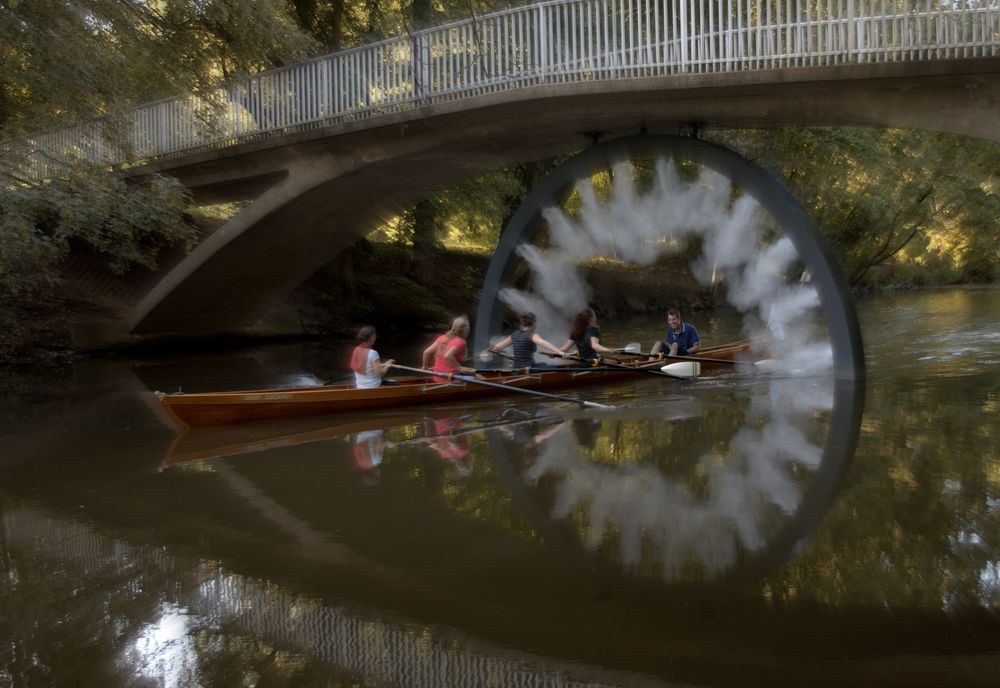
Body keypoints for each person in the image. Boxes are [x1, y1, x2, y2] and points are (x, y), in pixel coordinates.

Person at [487, 311, 568, 369]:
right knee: (553, 368)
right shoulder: (532, 335)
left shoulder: (514, 334)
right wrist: (560, 352)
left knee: (543, 364)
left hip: (516, 368)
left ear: (522, 323)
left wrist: (493, 351)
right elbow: (542, 343)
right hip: (528, 369)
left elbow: (499, 346)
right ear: (533, 323)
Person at [422, 315, 476, 380]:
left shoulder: (442, 337)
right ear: (466, 329)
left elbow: (426, 352)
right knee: (478, 378)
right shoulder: (461, 342)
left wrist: (425, 367)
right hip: (449, 379)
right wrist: (459, 368)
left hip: (436, 377)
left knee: (474, 373)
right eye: (468, 327)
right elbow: (448, 356)